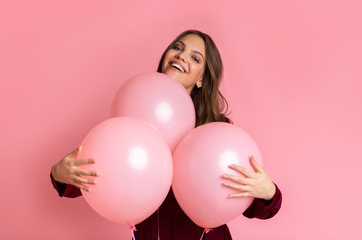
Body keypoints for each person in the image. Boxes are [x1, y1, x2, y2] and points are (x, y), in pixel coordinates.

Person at [50, 30, 282, 239]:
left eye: (195, 57)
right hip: (154, 233)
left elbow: (248, 203)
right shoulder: (131, 117)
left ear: (202, 78)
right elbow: (95, 176)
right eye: (178, 47)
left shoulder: (216, 131)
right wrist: (59, 174)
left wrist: (269, 192)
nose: (181, 56)